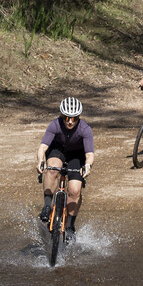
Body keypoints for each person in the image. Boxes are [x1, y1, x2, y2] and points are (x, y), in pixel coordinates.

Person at [37, 97, 94, 239]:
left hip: (77, 156)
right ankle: (47, 205)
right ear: (62, 116)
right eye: (67, 118)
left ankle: (70, 225)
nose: (70, 121)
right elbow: (43, 147)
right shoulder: (55, 125)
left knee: (75, 190)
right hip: (58, 151)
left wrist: (87, 166)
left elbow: (89, 154)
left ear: (78, 117)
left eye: (74, 118)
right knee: (52, 169)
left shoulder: (85, 129)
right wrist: (40, 161)